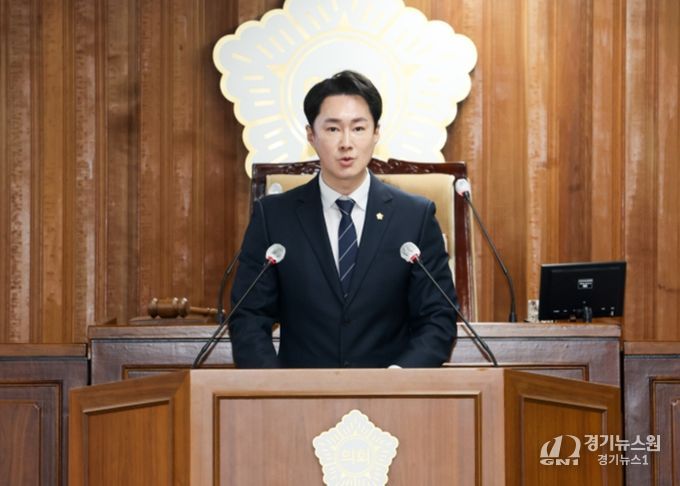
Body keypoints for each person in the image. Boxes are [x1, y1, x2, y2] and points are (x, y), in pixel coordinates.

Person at [229, 70, 458, 368]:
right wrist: (275, 385)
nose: (346, 142)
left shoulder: (414, 217)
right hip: (300, 392)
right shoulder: (273, 217)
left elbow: (438, 317)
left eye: (359, 128)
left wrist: (399, 379)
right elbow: (248, 315)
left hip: (391, 390)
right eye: (333, 129)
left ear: (376, 133)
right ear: (311, 135)